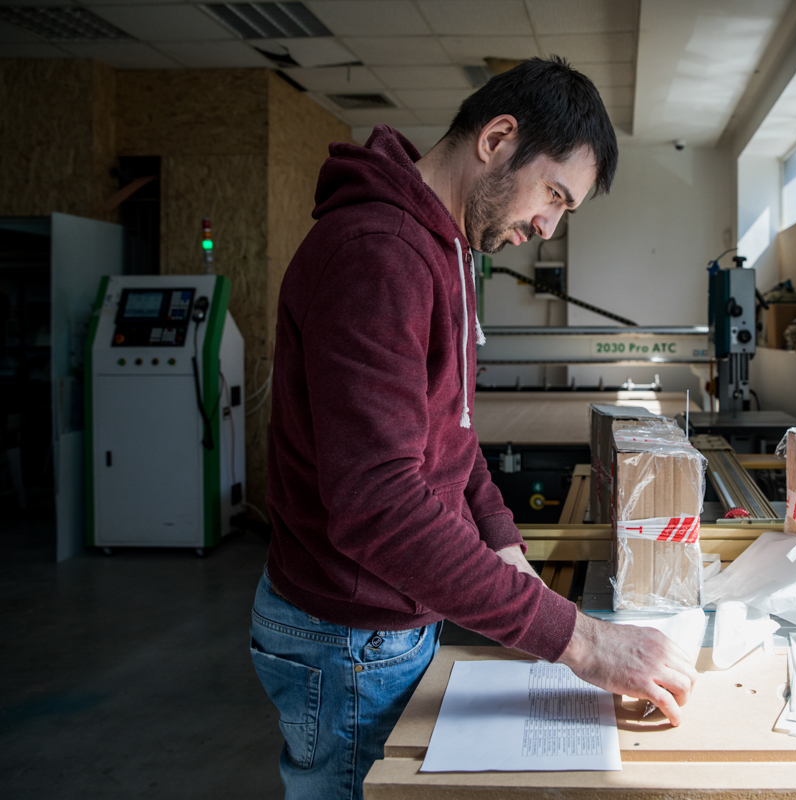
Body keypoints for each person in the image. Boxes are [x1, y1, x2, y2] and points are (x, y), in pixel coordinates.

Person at [249, 56, 698, 799]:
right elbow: (381, 510)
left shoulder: (446, 247)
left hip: (383, 620)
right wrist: (582, 643)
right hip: (348, 634)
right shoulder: (380, 257)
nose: (548, 226)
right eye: (553, 194)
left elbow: (451, 438)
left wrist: (503, 548)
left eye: (566, 210)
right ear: (496, 139)